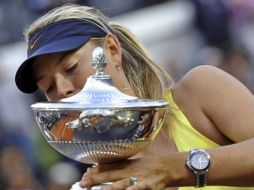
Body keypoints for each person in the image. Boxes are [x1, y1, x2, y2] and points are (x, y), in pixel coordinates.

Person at [14, 4, 254, 190]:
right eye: (48, 86)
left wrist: (170, 170)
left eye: (71, 67)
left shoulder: (199, 92)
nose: (63, 89)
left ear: (112, 50)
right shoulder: (105, 180)